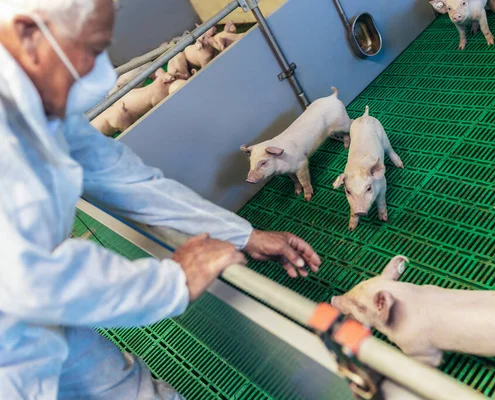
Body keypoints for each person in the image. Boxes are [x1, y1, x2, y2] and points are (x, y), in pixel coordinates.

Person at [0, 0, 322, 398]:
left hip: (38, 323)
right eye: (90, 47)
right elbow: (25, 275)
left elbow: (126, 179)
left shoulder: (38, 102)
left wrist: (241, 234)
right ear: (30, 34)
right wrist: (174, 280)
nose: (100, 72)